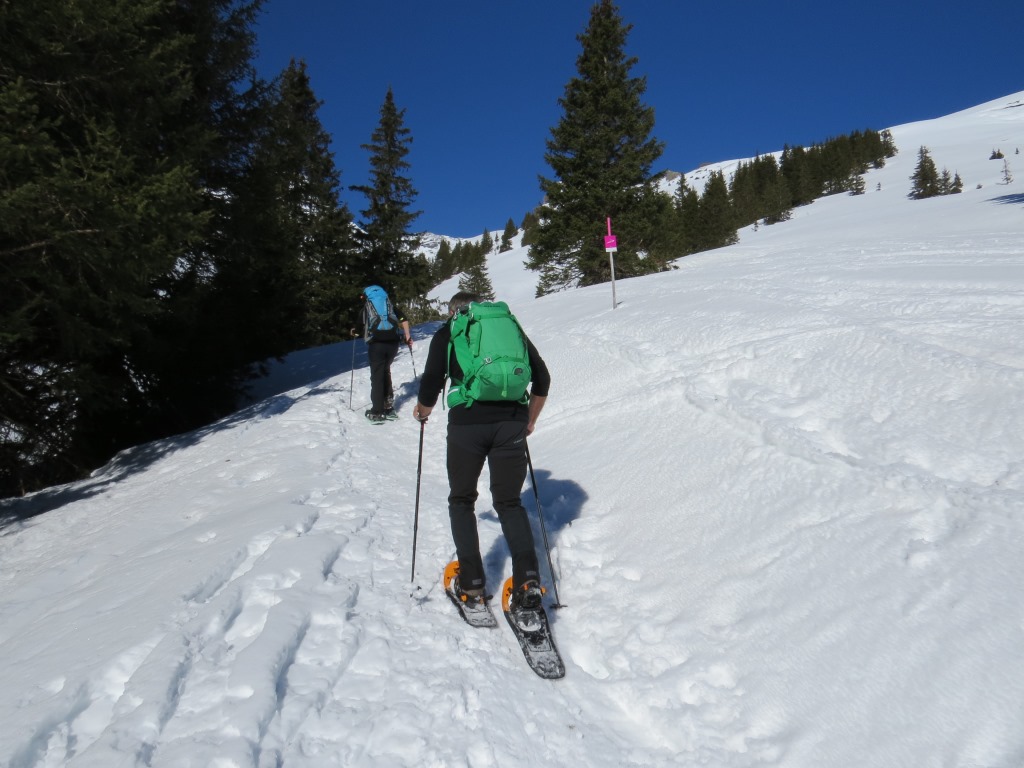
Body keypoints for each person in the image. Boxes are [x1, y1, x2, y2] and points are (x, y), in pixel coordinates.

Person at [413, 291, 550, 612]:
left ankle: (472, 583)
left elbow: (432, 379)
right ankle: (528, 581)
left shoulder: (450, 331)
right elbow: (542, 378)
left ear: (453, 311)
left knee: (462, 499)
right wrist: (529, 420)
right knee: (509, 502)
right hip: (511, 423)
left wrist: (423, 410)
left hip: (467, 424)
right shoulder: (508, 327)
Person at [354, 285, 412, 424]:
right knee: (386, 371)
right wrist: (407, 336)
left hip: (377, 345)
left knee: (377, 376)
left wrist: (354, 331)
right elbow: (403, 318)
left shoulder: (367, 308)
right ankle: (388, 407)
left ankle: (377, 412)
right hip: (393, 344)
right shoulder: (389, 306)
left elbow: (358, 328)